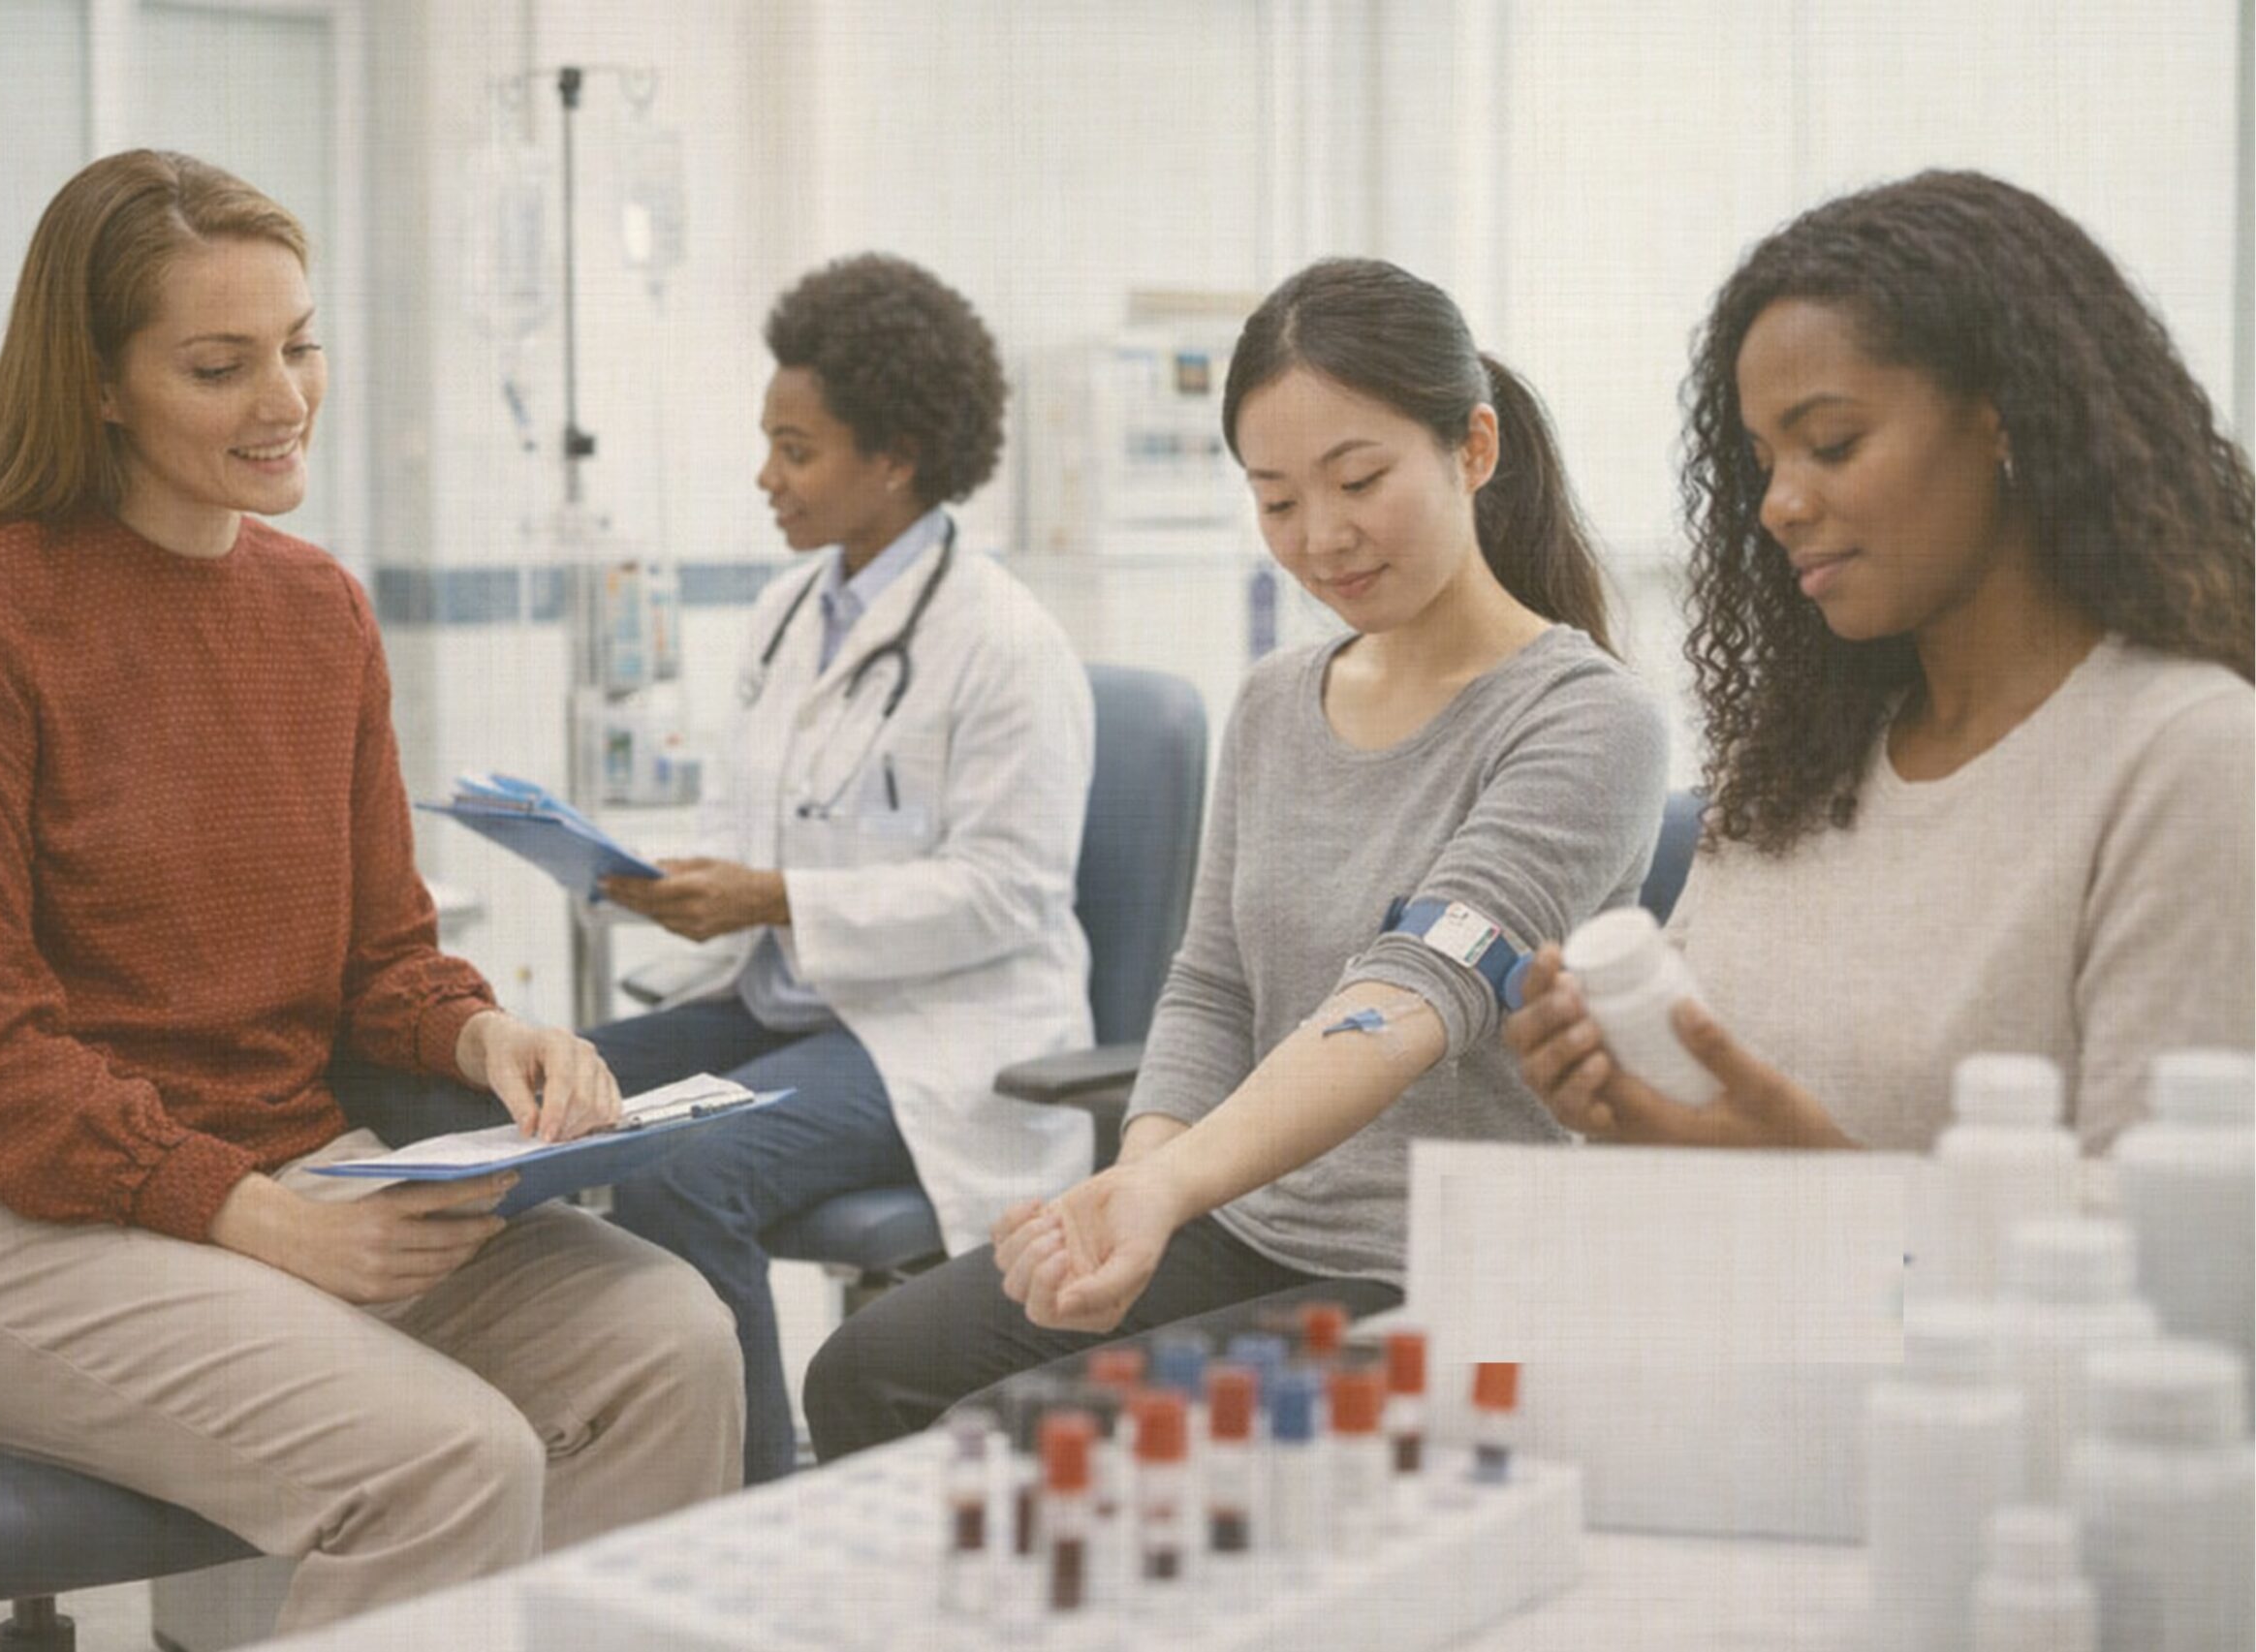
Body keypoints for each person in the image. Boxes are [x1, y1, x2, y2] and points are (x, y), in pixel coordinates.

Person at [0, 150, 742, 1636]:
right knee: (447, 1457)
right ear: (100, 382)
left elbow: (386, 954)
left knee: (668, 1341)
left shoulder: (321, 613)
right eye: (219, 365)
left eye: (301, 347)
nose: (287, 398)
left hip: (276, 1173)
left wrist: (485, 1038)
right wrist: (260, 1220)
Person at [803, 258, 1670, 1459]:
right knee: (868, 1371)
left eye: (1359, 479)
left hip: (1431, 1262)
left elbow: (1411, 991)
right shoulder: (1273, 702)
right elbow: (1210, 983)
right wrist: (1135, 1193)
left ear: (1473, 448)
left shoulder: (1585, 720)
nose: (1320, 537)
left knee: (1012, 1445)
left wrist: (1167, 1188)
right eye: (1274, 499)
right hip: (1244, 1223)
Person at [1506, 170, 2254, 1154]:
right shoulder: (1794, 758)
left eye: (1831, 443)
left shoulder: (2187, 757)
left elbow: (2169, 1265)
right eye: (1763, 462)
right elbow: (1700, 1095)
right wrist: (1611, 1081)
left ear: (2003, 417)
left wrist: (1825, 1185)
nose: (1777, 505)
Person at [581, 253, 1097, 1482]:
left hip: (941, 1032)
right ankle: (609, 1457)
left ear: (897, 457)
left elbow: (1008, 889)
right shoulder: (781, 611)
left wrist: (772, 898)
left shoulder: (1006, 643)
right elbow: (752, 821)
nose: (767, 476)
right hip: (783, 999)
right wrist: (660, 878)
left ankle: (750, 1508)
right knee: (551, 1101)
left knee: (686, 1177)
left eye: (795, 448)